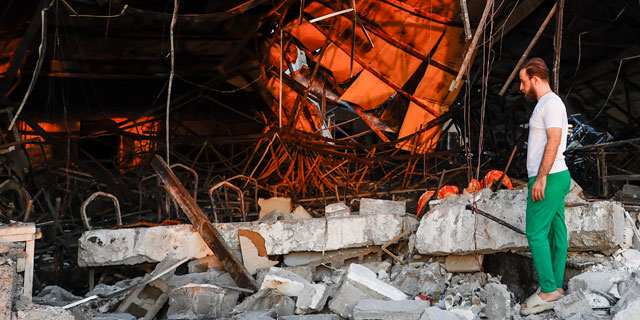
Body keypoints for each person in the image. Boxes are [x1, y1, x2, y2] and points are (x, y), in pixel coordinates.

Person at [518, 58, 571, 316]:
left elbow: (554, 140)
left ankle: (548, 290)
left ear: (535, 79)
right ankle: (557, 287)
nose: (521, 87)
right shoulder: (551, 103)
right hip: (558, 176)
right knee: (556, 233)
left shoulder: (549, 104)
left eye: (523, 81)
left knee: (535, 233)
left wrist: (540, 178)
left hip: (548, 178)